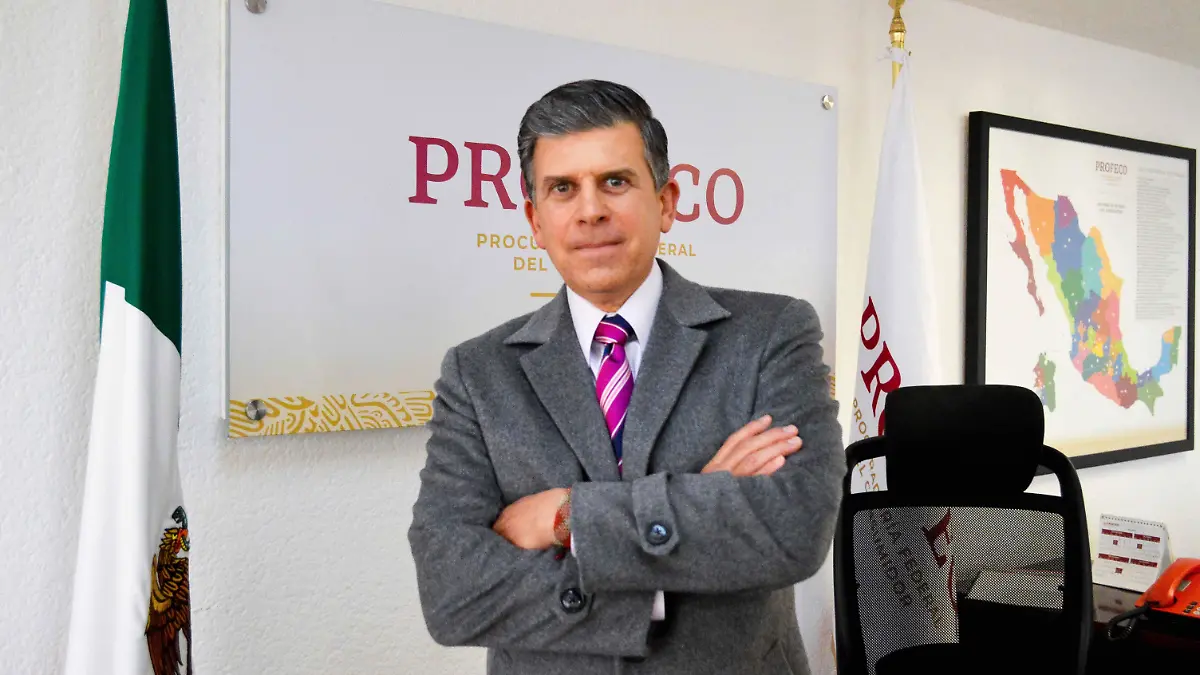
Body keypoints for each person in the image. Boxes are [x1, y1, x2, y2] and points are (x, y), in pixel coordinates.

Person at [408, 79, 844, 675]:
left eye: (615, 181)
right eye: (563, 188)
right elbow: (452, 594)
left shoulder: (770, 333)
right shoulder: (477, 373)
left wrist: (565, 515)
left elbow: (794, 529)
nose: (590, 210)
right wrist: (697, 504)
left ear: (666, 202)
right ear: (535, 220)